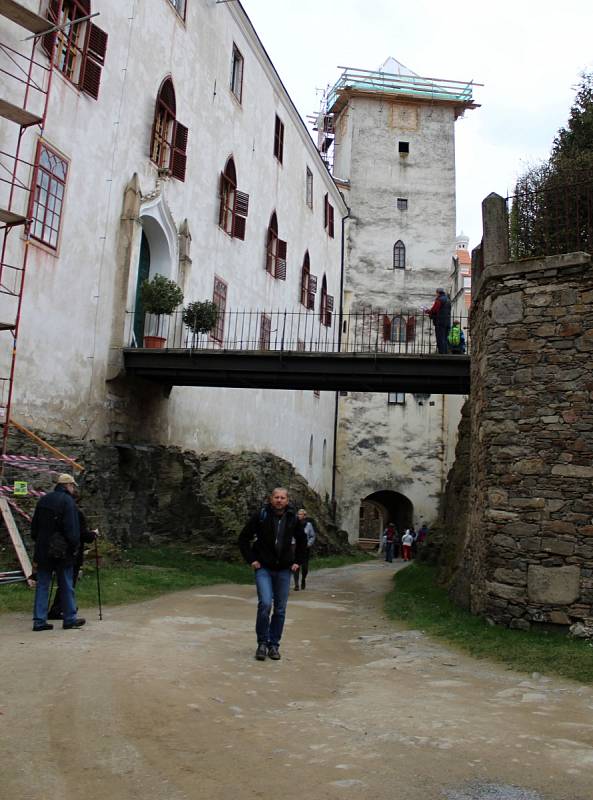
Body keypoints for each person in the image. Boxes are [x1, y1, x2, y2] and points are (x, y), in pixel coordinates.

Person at [238, 487, 306, 661]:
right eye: (276, 497)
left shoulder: (292, 518)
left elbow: (302, 541)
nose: (279, 500)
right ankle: (262, 643)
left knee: (280, 609)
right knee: (265, 604)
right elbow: (243, 538)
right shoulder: (261, 516)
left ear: (287, 500)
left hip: (284, 569)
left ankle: (274, 645)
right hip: (264, 568)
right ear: (270, 499)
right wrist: (252, 559)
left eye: (282, 497)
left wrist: (297, 561)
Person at [30, 474, 86, 631]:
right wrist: (73, 546)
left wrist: (40, 543)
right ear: (67, 486)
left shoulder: (43, 500)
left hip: (42, 549)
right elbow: (72, 530)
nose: (74, 489)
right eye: (73, 486)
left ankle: (39, 620)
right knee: (66, 584)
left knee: (42, 586)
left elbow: (34, 529)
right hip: (62, 551)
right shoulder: (68, 502)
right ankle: (69, 618)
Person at [48, 499, 97, 620]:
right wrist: (93, 534)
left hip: (57, 550)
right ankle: (61, 609)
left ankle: (59, 608)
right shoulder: (77, 514)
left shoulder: (55, 512)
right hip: (72, 553)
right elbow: (83, 535)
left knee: (63, 582)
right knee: (68, 583)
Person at [293, 508, 316, 591]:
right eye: (298, 514)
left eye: (300, 514)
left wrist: (309, 544)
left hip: (305, 548)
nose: (298, 515)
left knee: (305, 567)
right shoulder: (294, 524)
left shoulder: (308, 525)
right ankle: (296, 584)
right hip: (295, 548)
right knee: (296, 565)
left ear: (304, 516)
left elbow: (312, 536)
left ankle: (303, 579)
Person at [425, 288, 451, 354]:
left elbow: (434, 310)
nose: (436, 294)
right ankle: (446, 353)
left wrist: (427, 311)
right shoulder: (448, 300)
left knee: (440, 338)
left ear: (438, 293)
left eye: (436, 293)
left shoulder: (439, 300)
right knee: (445, 338)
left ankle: (442, 353)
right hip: (447, 321)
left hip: (440, 321)